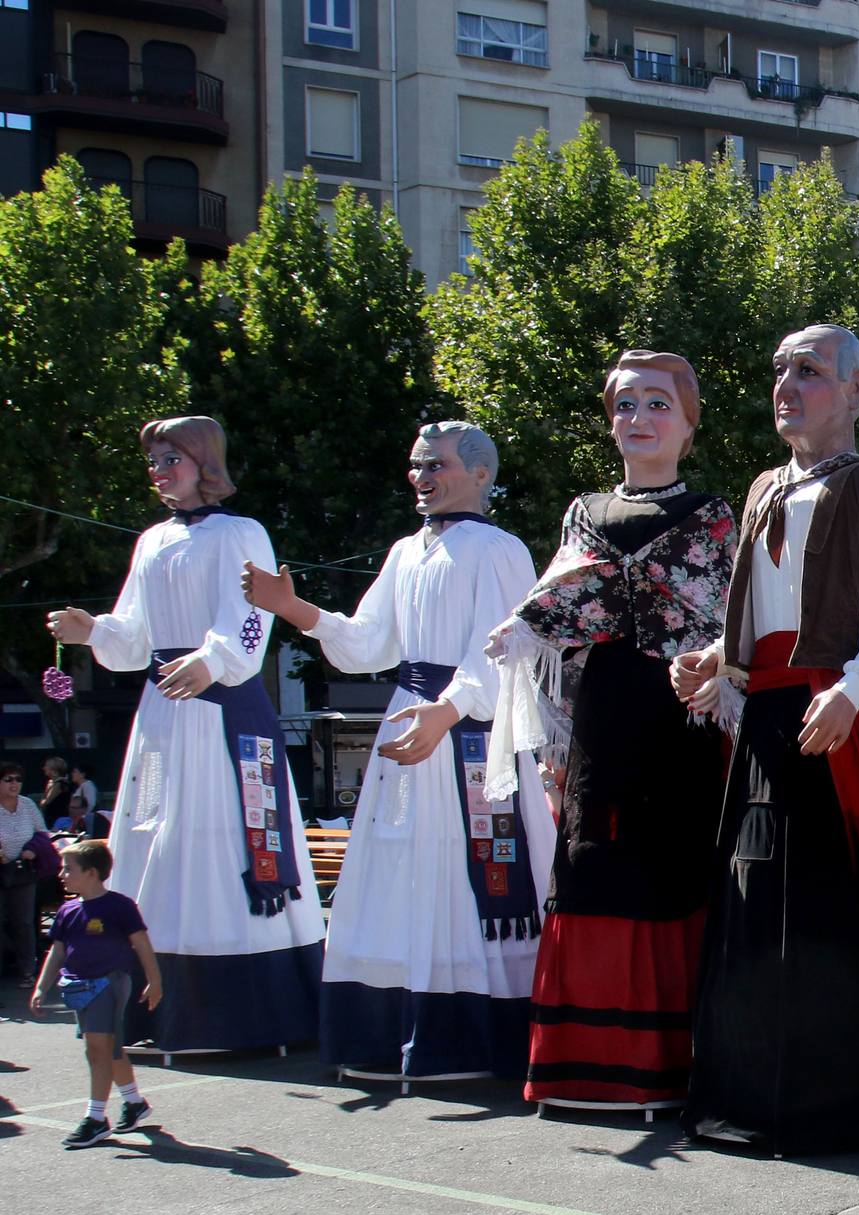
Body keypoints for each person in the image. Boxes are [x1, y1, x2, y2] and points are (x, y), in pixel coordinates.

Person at [669, 323, 859, 1154]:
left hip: (829, 722)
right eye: (780, 371)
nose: (786, 386)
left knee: (835, 910)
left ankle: (839, 1100)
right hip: (765, 720)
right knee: (756, 908)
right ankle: (757, 1092)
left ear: (855, 389)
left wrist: (856, 688)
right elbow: (758, 616)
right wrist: (715, 664)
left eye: (808, 371)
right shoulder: (765, 488)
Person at [243, 422, 547, 1081]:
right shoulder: (406, 552)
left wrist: (449, 707)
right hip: (409, 725)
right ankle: (390, 1032)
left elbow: (503, 647)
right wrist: (295, 609)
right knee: (396, 869)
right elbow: (366, 643)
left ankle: (471, 1038)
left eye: (433, 463)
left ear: (480, 475)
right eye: (414, 465)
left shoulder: (497, 550)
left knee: (464, 877)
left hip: (465, 733)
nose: (420, 476)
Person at [488, 351, 735, 1110]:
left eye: (659, 404)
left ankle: (673, 1066)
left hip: (679, 711)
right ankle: (583, 1068)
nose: (639, 419)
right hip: (602, 712)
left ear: (689, 425)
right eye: (626, 405)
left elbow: (729, 615)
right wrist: (521, 627)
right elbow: (554, 599)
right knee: (591, 860)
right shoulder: (581, 514)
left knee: (672, 867)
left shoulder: (715, 516)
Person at [46, 416, 325, 1052]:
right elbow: (133, 631)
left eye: (171, 457)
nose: (160, 469)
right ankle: (151, 996)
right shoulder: (150, 541)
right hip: (164, 709)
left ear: (204, 462)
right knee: (155, 833)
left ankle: (248, 1008)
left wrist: (212, 659)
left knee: (223, 834)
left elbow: (253, 612)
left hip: (219, 705)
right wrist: (93, 631)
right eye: (154, 460)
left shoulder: (240, 532)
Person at [30, 841, 163, 1147]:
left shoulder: (119, 906)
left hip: (110, 983)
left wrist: (155, 981)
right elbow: (58, 951)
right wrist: (41, 986)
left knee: (97, 1049)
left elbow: (142, 944)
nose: (62, 874)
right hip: (77, 986)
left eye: (68, 869)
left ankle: (95, 1119)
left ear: (91, 873)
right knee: (109, 1048)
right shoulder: (68, 910)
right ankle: (134, 1103)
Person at [1, 762, 46, 981]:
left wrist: (32, 849)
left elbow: (42, 833)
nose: (14, 784)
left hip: (22, 871)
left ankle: (28, 969)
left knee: (24, 922)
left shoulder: (27, 804)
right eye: (8, 779)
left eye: (18, 779)